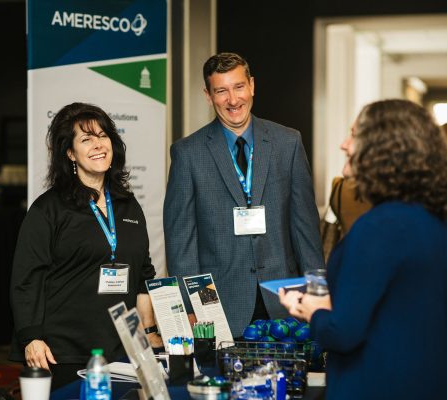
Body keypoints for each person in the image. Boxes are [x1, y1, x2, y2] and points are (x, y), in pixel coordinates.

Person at [280, 99, 447, 399]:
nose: (344, 144)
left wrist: (311, 310)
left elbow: (342, 333)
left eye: (354, 134)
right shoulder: (431, 220)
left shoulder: (379, 227)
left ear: (382, 149)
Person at [163, 52, 324, 337]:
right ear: (208, 96)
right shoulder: (188, 153)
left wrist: (318, 295)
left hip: (285, 305)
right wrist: (196, 309)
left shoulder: (288, 143)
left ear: (252, 85)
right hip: (220, 308)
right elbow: (182, 242)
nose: (233, 99)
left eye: (238, 87)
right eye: (221, 91)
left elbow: (305, 230)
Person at [10, 102, 162, 389]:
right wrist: (31, 338)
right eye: (86, 139)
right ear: (70, 153)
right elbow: (26, 278)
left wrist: (150, 332)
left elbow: (143, 274)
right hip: (65, 351)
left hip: (123, 350)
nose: (98, 145)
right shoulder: (49, 209)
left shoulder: (128, 205)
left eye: (103, 135)